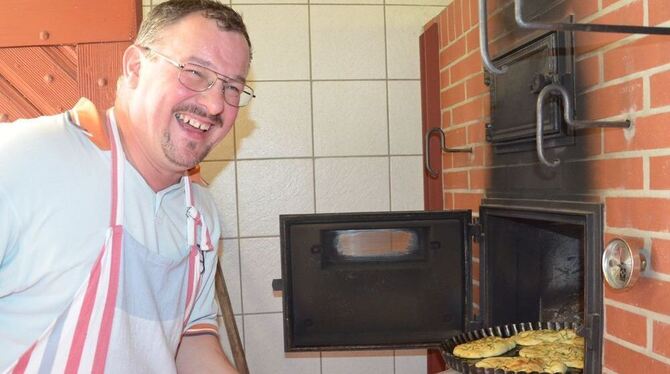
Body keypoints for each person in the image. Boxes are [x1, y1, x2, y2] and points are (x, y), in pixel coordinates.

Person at [0, 0, 253, 372]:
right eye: (196, 72)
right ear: (135, 67)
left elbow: (191, 338)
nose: (215, 103)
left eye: (232, 87)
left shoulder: (199, 213)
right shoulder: (26, 159)